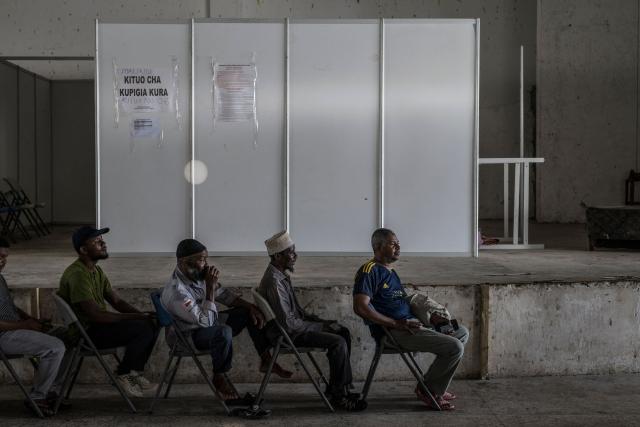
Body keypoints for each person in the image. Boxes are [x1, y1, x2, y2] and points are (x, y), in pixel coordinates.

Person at [161, 238, 292, 401]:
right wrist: (209, 288)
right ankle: (219, 376)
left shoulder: (196, 274)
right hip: (187, 336)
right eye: (202, 260)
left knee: (247, 314)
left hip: (205, 323)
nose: (206, 264)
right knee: (223, 332)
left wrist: (250, 306)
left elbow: (224, 295)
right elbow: (205, 322)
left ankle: (266, 359)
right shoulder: (177, 292)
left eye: (206, 259)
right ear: (183, 262)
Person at [352, 228, 469, 411]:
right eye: (393, 244)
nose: (398, 247)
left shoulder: (391, 273)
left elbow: (404, 304)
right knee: (455, 347)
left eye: (398, 243)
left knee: (461, 332)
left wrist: (431, 318)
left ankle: (431, 387)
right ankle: (429, 390)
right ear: (378, 247)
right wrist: (396, 324)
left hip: (412, 326)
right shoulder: (369, 271)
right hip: (393, 333)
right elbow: (360, 307)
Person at [258, 231, 366, 411]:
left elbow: (297, 312)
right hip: (287, 335)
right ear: (277, 256)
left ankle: (339, 389)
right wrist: (321, 325)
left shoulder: (280, 275)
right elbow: (289, 325)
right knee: (338, 342)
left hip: (293, 328)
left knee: (342, 331)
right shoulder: (274, 282)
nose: (295, 256)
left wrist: (321, 321)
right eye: (291, 253)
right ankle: (339, 397)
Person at [58, 226, 159, 398]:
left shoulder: (95, 270)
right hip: (87, 334)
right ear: (83, 250)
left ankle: (134, 373)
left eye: (102, 240)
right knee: (142, 328)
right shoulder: (78, 275)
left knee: (153, 323)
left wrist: (144, 315)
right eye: (96, 242)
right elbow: (96, 315)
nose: (103, 243)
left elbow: (117, 301)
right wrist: (139, 317)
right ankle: (124, 374)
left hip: (98, 327)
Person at [0, 237, 66, 416]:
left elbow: (10, 307)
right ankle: (38, 397)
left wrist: (32, 319)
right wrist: (25, 325)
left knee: (66, 337)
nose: (2, 261)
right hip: (3, 336)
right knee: (54, 347)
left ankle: (51, 391)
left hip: (14, 329)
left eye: (5, 257)